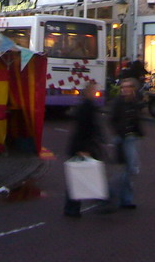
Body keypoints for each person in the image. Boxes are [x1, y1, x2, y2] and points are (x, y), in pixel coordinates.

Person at [64, 81, 105, 218]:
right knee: (80, 176)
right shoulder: (87, 107)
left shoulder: (85, 106)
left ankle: (74, 207)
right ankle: (74, 207)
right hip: (83, 146)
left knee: (81, 175)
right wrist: (83, 148)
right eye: (94, 91)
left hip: (84, 145)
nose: (95, 93)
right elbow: (84, 128)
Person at [109, 78, 143, 209]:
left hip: (132, 138)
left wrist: (139, 132)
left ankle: (125, 199)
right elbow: (112, 119)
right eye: (123, 87)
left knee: (128, 169)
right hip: (123, 138)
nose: (125, 89)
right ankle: (112, 193)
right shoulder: (118, 102)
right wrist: (119, 133)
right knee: (128, 169)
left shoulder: (134, 102)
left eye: (128, 87)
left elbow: (135, 119)